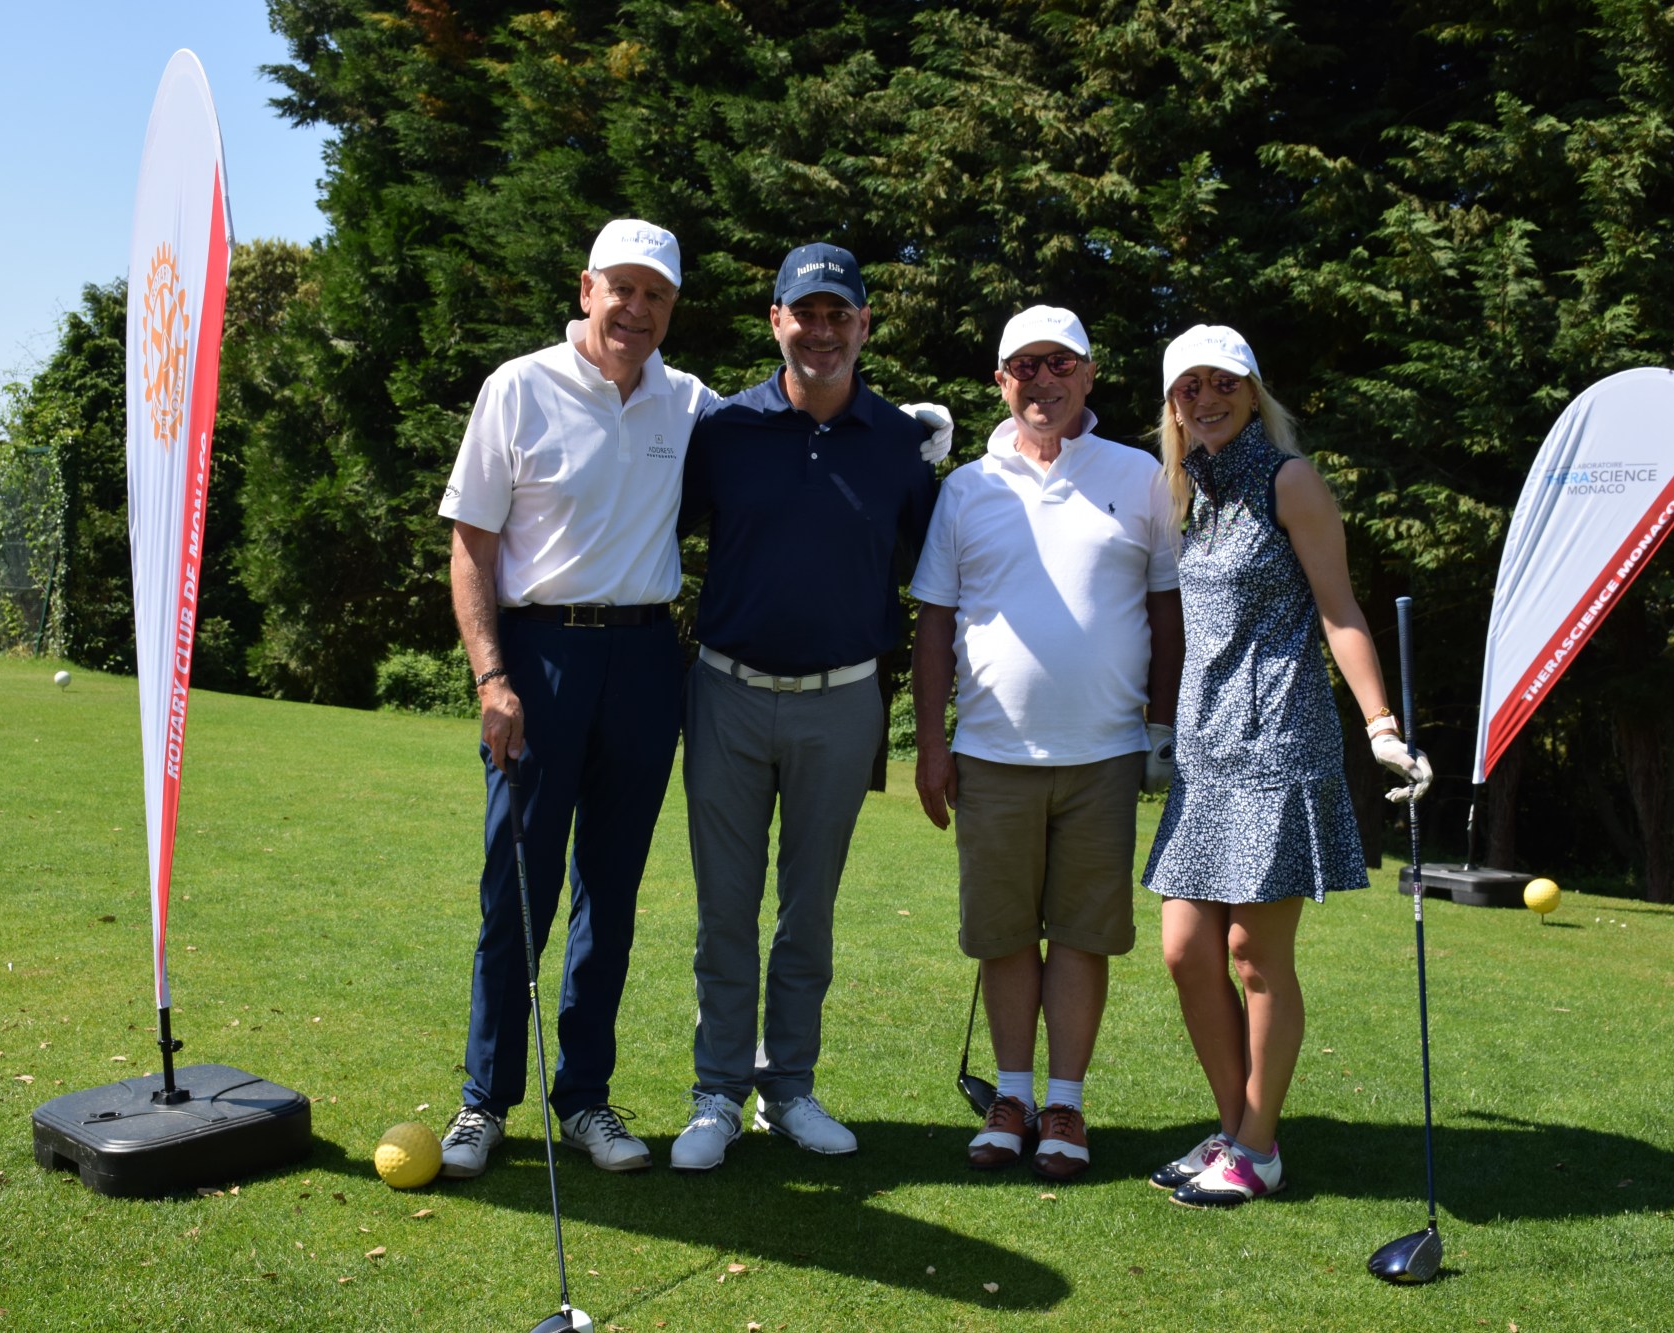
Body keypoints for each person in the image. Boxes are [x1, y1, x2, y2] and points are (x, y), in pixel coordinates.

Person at [435, 219, 714, 1176]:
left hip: (644, 661)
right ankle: (484, 1100)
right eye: (622, 288)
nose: (637, 308)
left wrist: (895, 430)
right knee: (517, 885)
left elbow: (784, 433)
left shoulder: (689, 402)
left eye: (657, 294)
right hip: (540, 657)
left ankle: (586, 1096)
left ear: (671, 308)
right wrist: (492, 676)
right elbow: (471, 543)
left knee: (612, 890)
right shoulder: (519, 386)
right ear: (587, 288)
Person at [1140, 323, 1432, 1208]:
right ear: (1173, 407)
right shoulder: (1189, 493)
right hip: (1205, 755)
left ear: (1254, 391)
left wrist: (1380, 724)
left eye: (1222, 382)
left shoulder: (1288, 480)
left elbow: (1340, 610)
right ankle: (1237, 1129)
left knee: (1253, 953)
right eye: (1188, 387)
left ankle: (1255, 1145)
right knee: (1185, 950)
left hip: (1277, 744)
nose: (1206, 399)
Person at [667, 243, 940, 1172]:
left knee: (807, 911)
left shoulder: (900, 443)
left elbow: (941, 575)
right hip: (726, 693)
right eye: (805, 313)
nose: (821, 331)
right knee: (725, 910)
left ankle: (787, 1087)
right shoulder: (725, 430)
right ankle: (716, 1092)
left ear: (863, 325)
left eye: (839, 315)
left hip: (843, 700)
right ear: (776, 320)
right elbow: (648, 529)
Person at [910, 305, 1184, 1182]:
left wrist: (1162, 727)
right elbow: (935, 621)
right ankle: (1013, 1096)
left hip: (1105, 754)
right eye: (1024, 365)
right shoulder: (966, 486)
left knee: (1081, 933)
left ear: (1089, 375)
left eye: (1060, 363)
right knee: (1001, 934)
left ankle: (1064, 1102)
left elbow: (1167, 609)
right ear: (1001, 381)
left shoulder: (1140, 474)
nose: (1043, 380)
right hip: (992, 754)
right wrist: (931, 743)